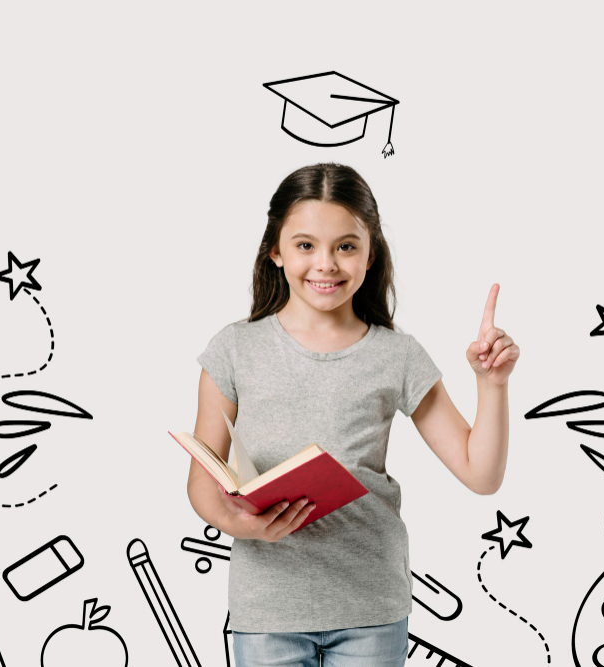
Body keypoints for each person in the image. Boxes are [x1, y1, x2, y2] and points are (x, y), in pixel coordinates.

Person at [187, 163, 518, 666]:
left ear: (370, 253)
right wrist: (242, 526)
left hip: (370, 609)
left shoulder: (397, 355)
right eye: (305, 245)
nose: (326, 264)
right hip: (268, 608)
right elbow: (202, 482)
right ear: (275, 251)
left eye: (346, 246)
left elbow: (481, 474)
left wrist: (492, 385)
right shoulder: (234, 349)